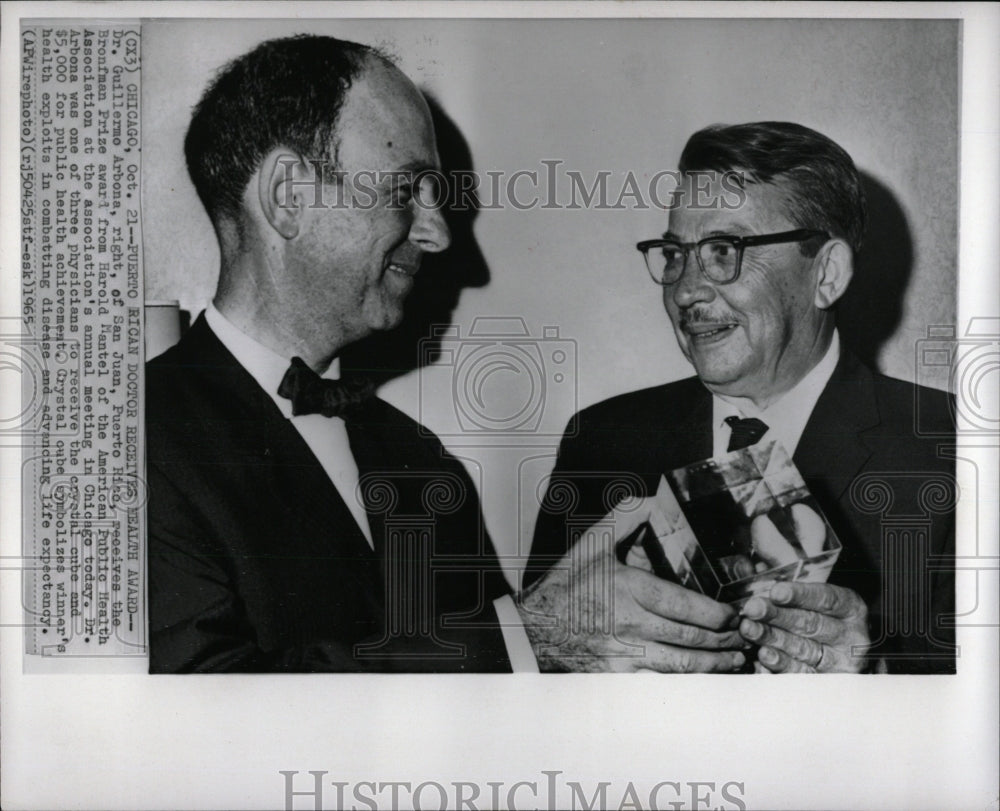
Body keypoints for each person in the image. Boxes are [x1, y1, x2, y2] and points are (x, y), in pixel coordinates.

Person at [146, 35, 749, 673]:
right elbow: (198, 729)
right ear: (288, 195)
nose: (438, 234)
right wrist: (532, 635)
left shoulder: (425, 463)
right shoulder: (122, 445)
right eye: (410, 189)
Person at [527, 122, 955, 674]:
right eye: (675, 254)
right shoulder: (603, 441)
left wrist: (876, 679)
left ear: (826, 274)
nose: (685, 289)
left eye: (724, 250)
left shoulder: (951, 451)